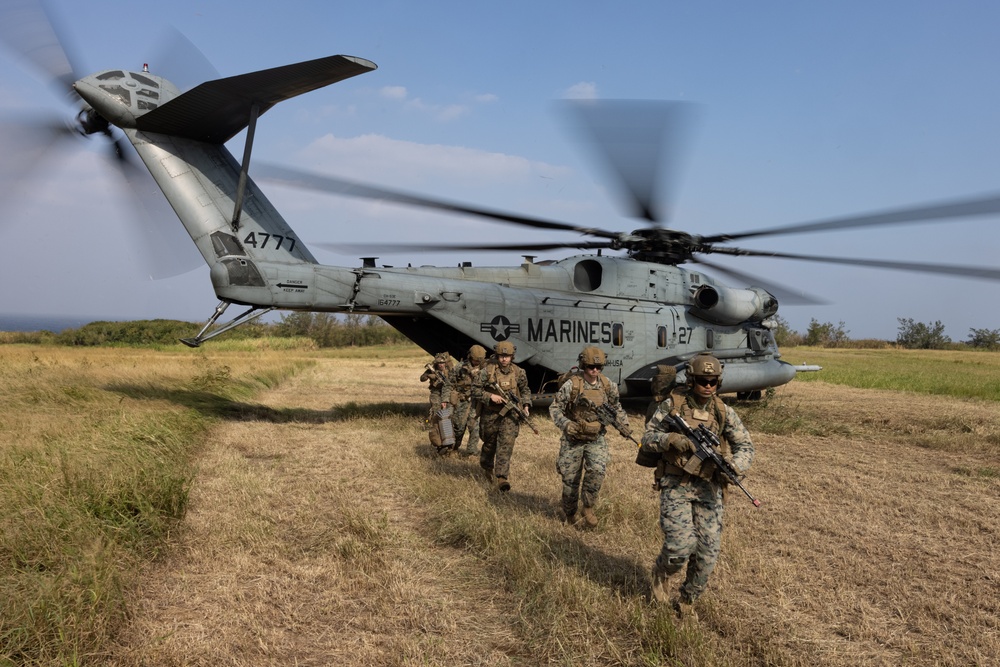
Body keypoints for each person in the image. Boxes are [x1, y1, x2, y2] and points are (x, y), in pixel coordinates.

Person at [638, 353, 755, 620]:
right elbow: (647, 437)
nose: (708, 385)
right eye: (703, 380)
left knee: (707, 552)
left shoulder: (723, 412)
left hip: (709, 487)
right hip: (676, 483)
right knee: (680, 546)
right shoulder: (673, 406)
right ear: (691, 379)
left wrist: (735, 466)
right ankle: (661, 573)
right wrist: (671, 439)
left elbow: (745, 446)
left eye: (713, 381)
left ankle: (687, 600)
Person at [549, 346, 630, 528]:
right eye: (590, 367)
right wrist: (567, 424)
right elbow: (554, 408)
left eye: (598, 367)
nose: (594, 371)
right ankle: (570, 514)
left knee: (597, 470)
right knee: (570, 480)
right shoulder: (572, 385)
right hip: (573, 439)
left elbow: (616, 408)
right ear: (583, 366)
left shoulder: (608, 385)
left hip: (596, 437)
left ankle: (588, 506)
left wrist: (624, 426)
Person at [472, 340, 530, 491]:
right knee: (489, 445)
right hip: (490, 414)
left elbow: (525, 390)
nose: (504, 359)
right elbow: (475, 390)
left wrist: (526, 405)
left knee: (506, 444)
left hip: (510, 415)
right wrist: (490, 396)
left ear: (512, 356)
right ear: (497, 355)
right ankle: (486, 467)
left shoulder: (519, 372)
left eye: (507, 356)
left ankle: (502, 477)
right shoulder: (487, 371)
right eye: (501, 356)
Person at [449, 344, 486, 456]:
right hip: (462, 402)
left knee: (474, 428)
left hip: (477, 403)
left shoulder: (485, 369)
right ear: (470, 357)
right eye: (475, 360)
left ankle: (471, 452)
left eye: (479, 361)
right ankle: (453, 448)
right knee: (459, 428)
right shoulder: (459, 368)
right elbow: (449, 384)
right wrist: (445, 400)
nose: (477, 363)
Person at [420, 352, 453, 453]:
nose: (441, 365)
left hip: (447, 393)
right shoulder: (432, 369)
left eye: (442, 363)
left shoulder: (449, 370)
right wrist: (429, 375)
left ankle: (449, 441)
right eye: (439, 363)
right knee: (436, 413)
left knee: (449, 415)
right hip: (436, 393)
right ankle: (437, 439)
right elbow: (422, 378)